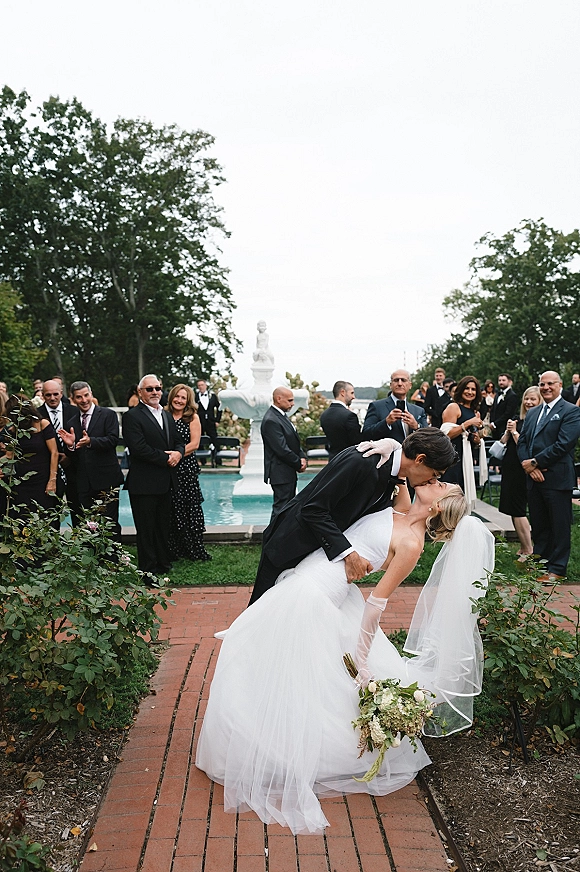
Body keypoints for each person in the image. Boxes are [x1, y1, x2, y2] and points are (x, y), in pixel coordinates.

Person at [196, 480, 494, 835]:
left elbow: (377, 603)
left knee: (262, 655)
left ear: (437, 508)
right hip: (304, 578)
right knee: (264, 657)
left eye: (440, 484)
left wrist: (363, 657)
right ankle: (254, 733)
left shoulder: (411, 544)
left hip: (315, 594)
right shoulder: (400, 505)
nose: (433, 480)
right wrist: (392, 447)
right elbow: (401, 470)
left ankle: (276, 748)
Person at [248, 428, 458, 605]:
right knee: (259, 619)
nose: (432, 480)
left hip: (317, 557)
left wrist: (394, 443)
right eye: (435, 475)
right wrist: (350, 554)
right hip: (289, 543)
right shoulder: (363, 461)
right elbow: (313, 509)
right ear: (420, 460)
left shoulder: (394, 472)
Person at [517, 371, 580, 582]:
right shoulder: (533, 413)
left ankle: (558, 569)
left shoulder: (570, 411)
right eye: (542, 384)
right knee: (540, 523)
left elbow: (564, 444)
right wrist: (529, 467)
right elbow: (523, 441)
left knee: (559, 525)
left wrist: (536, 462)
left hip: (557, 478)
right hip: (534, 479)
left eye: (550, 384)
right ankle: (540, 565)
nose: (546, 387)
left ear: (560, 385)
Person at [122, 374, 185, 577]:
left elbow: (178, 441)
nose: (155, 392)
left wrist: (179, 453)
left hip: (166, 482)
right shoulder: (132, 416)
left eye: (158, 388)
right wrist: (166, 459)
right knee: (146, 529)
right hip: (144, 483)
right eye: (149, 389)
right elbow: (138, 449)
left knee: (162, 526)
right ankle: (147, 570)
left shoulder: (166, 415)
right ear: (140, 392)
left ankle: (163, 563)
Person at [57, 381, 124, 540]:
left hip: (106, 479)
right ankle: (91, 561)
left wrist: (91, 441)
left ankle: (113, 561)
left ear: (91, 394)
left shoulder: (108, 414)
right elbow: (73, 456)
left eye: (86, 395)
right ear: (73, 399)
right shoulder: (72, 422)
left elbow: (113, 440)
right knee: (87, 523)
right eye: (79, 397)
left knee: (110, 522)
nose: (84, 400)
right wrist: (71, 445)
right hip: (84, 482)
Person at [165, 383, 211, 562]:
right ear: (171, 397)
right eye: (176, 396)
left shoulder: (192, 417)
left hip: (186, 468)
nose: (179, 400)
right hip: (167, 466)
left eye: (183, 397)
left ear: (188, 401)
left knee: (189, 507)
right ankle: (174, 549)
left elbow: (194, 444)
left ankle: (193, 548)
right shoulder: (164, 414)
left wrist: (178, 454)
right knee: (171, 508)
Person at [497, 386, 542, 561]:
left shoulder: (536, 422)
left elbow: (526, 448)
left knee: (518, 509)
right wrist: (508, 432)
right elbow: (502, 443)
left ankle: (529, 548)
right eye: (527, 399)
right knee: (512, 509)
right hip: (509, 468)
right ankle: (524, 547)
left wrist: (515, 432)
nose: (529, 402)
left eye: (533, 399)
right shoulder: (517, 419)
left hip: (522, 469)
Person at [2, 393, 59, 514]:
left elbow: (54, 453)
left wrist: (52, 480)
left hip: (42, 479)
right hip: (21, 481)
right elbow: (9, 455)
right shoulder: (13, 431)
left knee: (44, 514)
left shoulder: (42, 424)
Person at [261, 386, 307, 519]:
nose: (292, 404)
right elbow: (281, 449)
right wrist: (298, 463)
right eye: (290, 400)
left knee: (287, 508)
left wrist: (302, 457)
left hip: (287, 471)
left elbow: (293, 441)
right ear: (278, 399)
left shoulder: (281, 416)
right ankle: (272, 538)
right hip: (280, 472)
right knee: (281, 508)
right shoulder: (271, 420)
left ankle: (282, 537)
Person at [440, 376, 486, 507]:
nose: (470, 392)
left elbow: (471, 437)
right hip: (452, 461)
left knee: (462, 500)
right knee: (450, 500)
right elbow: (445, 435)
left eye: (473, 389)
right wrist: (467, 424)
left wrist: (477, 440)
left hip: (466, 460)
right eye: (467, 388)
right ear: (460, 389)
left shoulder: (474, 412)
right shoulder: (454, 407)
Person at [37, 379, 80, 512]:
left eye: (55, 394)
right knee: (50, 512)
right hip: (47, 469)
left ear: (61, 393)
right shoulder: (37, 414)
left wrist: (69, 455)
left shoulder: (74, 412)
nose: (52, 398)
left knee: (78, 511)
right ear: (43, 395)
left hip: (74, 468)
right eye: (48, 395)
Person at [362, 369, 427, 443]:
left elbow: (429, 436)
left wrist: (416, 426)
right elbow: (366, 434)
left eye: (403, 380)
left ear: (410, 385)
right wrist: (386, 423)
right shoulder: (377, 406)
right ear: (391, 385)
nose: (399, 383)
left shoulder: (419, 410)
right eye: (396, 380)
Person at [319, 380, 361, 459]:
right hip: (348, 460)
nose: (353, 397)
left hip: (332, 459)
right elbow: (356, 441)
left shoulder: (324, 415)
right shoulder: (349, 416)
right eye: (351, 393)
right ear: (342, 392)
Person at [195, 379, 221, 463]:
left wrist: (217, 420)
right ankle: (203, 460)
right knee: (200, 441)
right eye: (199, 385)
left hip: (211, 422)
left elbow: (219, 408)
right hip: (199, 422)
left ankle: (218, 459)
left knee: (215, 440)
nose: (201, 387)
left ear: (206, 385)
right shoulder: (195, 397)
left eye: (202, 385)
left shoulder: (212, 396)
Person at [489, 373, 519, 438]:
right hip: (495, 429)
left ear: (510, 382)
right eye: (499, 380)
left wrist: (495, 424)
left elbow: (508, 413)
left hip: (504, 429)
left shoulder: (512, 396)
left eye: (503, 380)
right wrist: (491, 423)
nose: (501, 382)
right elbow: (493, 410)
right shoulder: (497, 395)